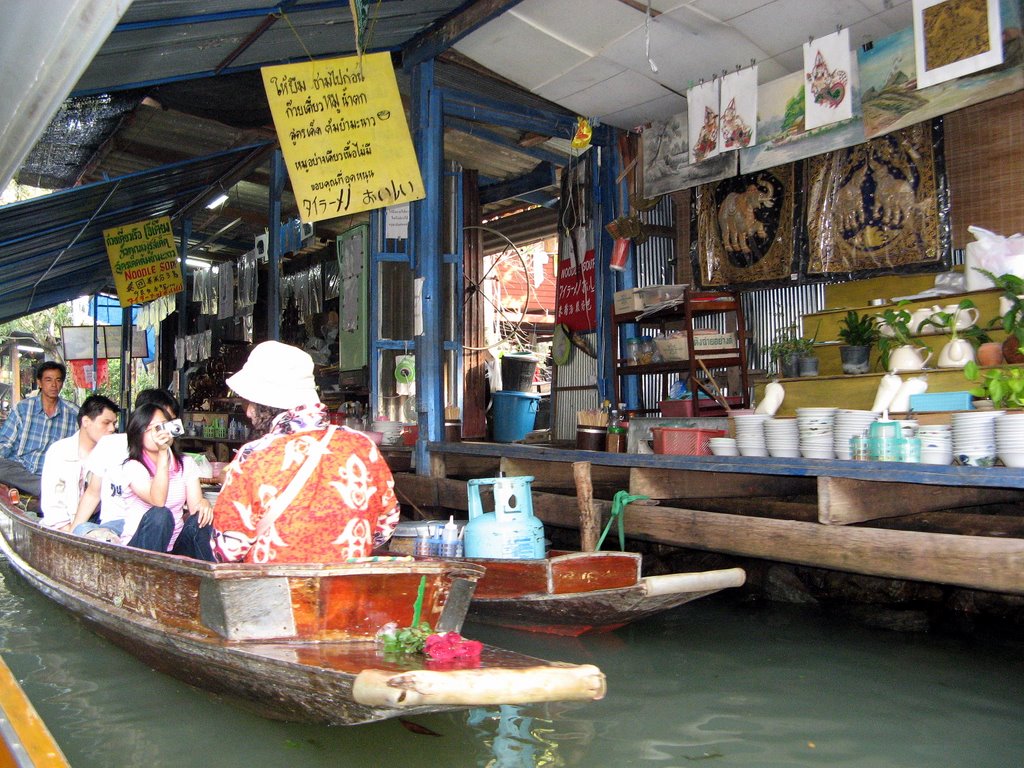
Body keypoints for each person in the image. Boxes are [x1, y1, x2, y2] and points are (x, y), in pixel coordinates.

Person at [211, 341, 398, 563]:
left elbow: (227, 550)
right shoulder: (363, 446)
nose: (249, 412)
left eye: (249, 402)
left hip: (273, 592)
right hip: (346, 590)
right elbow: (385, 525)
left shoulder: (255, 455)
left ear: (265, 405)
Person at [66, 389, 179, 540]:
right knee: (84, 529)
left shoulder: (169, 454)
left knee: (160, 518)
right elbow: (93, 493)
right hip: (113, 528)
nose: (167, 431)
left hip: (152, 527)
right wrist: (73, 532)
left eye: (170, 422)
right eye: (161, 423)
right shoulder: (110, 444)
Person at [117, 402, 214, 560]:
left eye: (163, 426)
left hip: (174, 549)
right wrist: (163, 453)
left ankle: (212, 579)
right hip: (140, 549)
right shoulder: (133, 467)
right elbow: (158, 500)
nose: (160, 432)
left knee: (202, 519)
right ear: (138, 434)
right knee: (161, 515)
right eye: (153, 428)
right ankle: (149, 575)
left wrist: (204, 504)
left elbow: (195, 508)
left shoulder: (185, 463)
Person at [0, 361, 79, 499]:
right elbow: (5, 443)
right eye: (48, 380)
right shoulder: (23, 409)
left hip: (52, 473)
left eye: (58, 380)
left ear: (62, 383)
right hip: (21, 469)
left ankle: (43, 490)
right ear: (40, 383)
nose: (54, 385)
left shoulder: (73, 413)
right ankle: (45, 490)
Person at [38, 395, 119, 530]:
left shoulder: (115, 452)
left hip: (103, 525)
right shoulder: (59, 452)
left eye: (114, 424)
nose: (112, 428)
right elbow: (52, 503)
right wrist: (68, 531)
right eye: (106, 423)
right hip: (63, 526)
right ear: (86, 421)